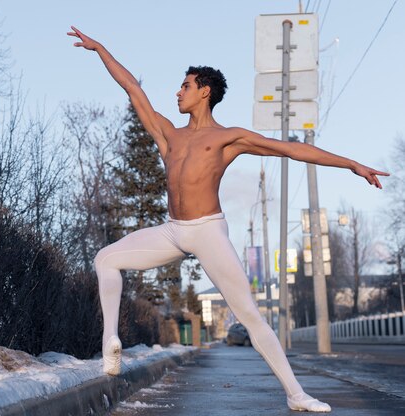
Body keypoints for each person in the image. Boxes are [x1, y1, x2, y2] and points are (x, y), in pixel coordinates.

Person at [67, 26, 388, 413]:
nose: (177, 92)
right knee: (106, 258)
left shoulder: (228, 138)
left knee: (250, 315)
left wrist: (351, 163)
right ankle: (110, 343)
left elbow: (290, 149)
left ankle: (296, 394)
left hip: (207, 231)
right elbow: (133, 89)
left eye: (184, 86)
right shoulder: (168, 134)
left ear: (204, 91)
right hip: (173, 231)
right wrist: (101, 49)